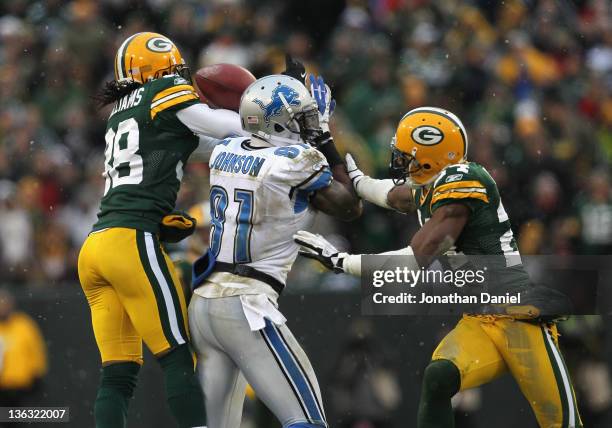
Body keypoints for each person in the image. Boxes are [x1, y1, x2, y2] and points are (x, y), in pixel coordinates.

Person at [294, 107, 583, 428]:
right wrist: (359, 181)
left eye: (407, 155)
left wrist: (341, 262)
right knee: (439, 377)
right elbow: (397, 197)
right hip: (480, 318)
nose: (400, 161)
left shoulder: (463, 185)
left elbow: (416, 258)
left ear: (430, 155)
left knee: (562, 422)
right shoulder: (442, 181)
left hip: (518, 320)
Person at [77, 32, 246, 428]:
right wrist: (265, 118)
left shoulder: (121, 110)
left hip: (95, 246)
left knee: (117, 374)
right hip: (129, 241)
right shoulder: (164, 90)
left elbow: (195, 144)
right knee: (177, 356)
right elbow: (217, 126)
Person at [188, 74, 361, 428]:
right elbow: (350, 206)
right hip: (247, 305)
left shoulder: (225, 150)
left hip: (204, 305)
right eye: (303, 116)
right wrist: (326, 141)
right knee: (306, 420)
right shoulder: (295, 161)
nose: (310, 124)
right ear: (280, 120)